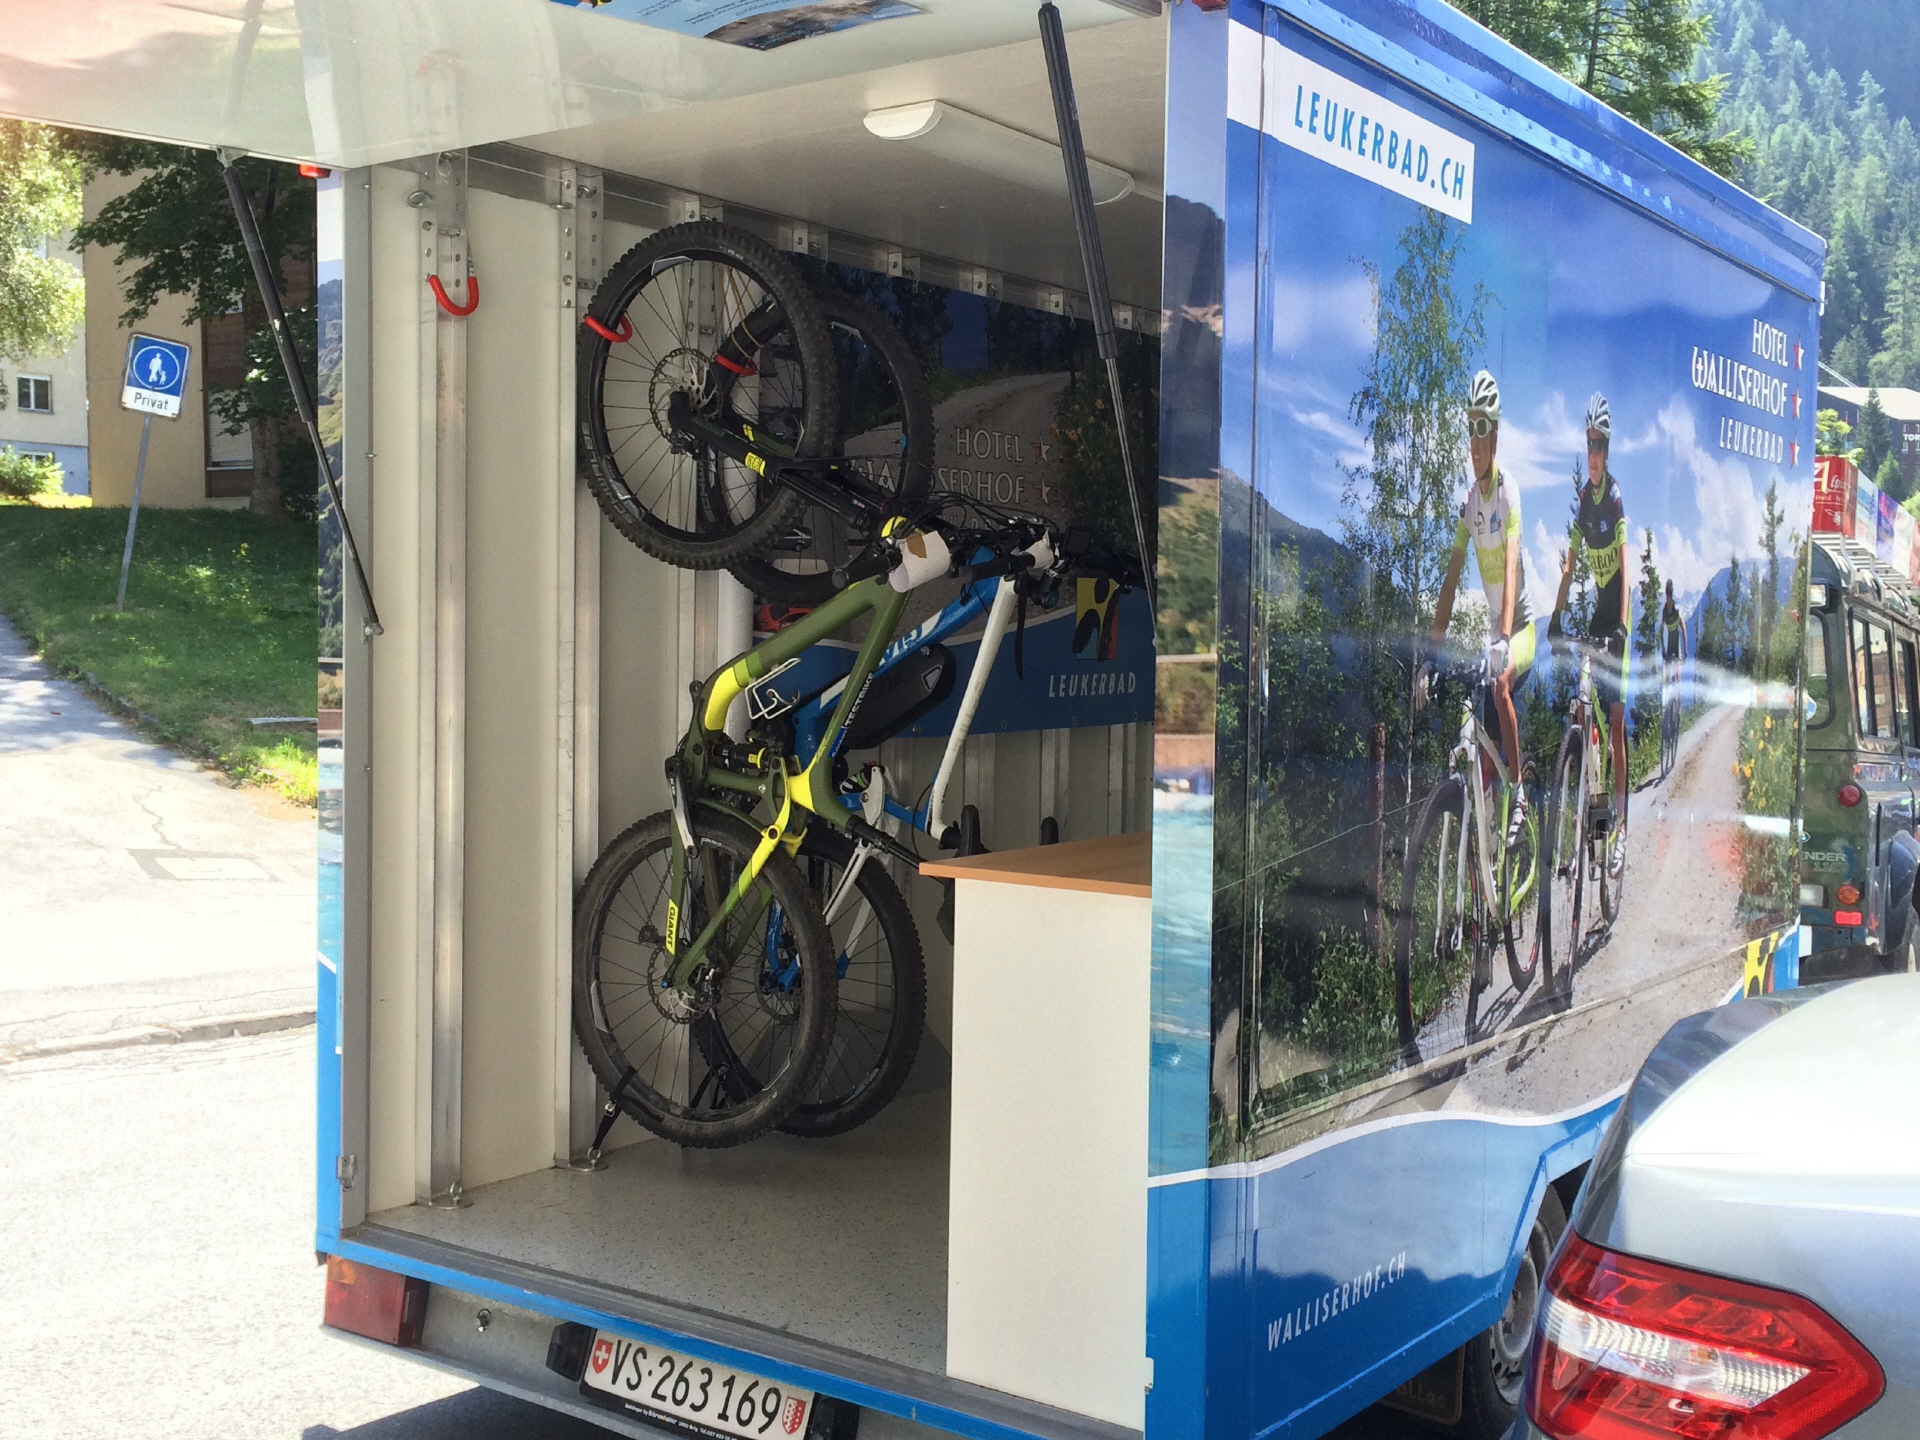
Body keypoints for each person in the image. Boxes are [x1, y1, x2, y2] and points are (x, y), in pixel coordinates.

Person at [1423, 368, 1533, 844]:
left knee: (1501, 684)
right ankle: (1484, 858)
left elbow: (1509, 568)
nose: (1474, 441)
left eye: (1482, 427)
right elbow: (1450, 582)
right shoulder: (1469, 505)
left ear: (1496, 433)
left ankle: (1521, 794)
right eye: (1469, 427)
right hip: (1494, 634)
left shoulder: (1508, 493)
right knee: (1479, 755)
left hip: (1520, 629)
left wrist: (1505, 638)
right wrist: (1431, 655)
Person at [1553, 392, 1630, 878]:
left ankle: (1618, 830)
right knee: (1584, 711)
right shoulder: (1584, 500)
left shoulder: (1614, 497)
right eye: (1589, 444)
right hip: (1597, 613)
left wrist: (1621, 626)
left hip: (1618, 612)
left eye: (1600, 444)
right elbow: (1570, 562)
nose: (1594, 453)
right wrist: (1557, 613)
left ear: (1609, 448)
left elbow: (1625, 567)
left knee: (1615, 721)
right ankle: (1591, 827)